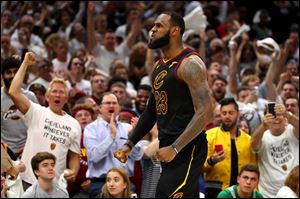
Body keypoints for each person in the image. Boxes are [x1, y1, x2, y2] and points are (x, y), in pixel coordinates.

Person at [114, 11, 214, 198]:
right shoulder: (159, 66)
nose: (152, 29)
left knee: (163, 193)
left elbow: (206, 112)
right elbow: (151, 111)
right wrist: (130, 143)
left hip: (188, 148)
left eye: (159, 26)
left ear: (175, 31)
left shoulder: (190, 64)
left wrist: (176, 147)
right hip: (168, 146)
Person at [8, 52, 81, 190]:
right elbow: (13, 92)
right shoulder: (36, 111)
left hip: (55, 185)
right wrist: (25, 64)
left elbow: (74, 156)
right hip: (27, 180)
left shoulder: (74, 124)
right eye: (54, 92)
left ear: (66, 99)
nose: (57, 95)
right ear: (47, 96)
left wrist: (74, 171)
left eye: (62, 92)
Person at [84, 92, 143, 198]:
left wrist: (132, 139)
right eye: (107, 103)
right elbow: (94, 157)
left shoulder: (127, 128)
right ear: (100, 108)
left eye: (114, 103)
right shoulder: (91, 129)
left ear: (119, 107)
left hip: (125, 184)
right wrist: (111, 137)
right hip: (101, 184)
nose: (111, 105)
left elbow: (137, 156)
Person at [204, 97, 256, 198]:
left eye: (231, 113)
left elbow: (254, 168)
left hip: (242, 192)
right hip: (214, 190)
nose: (227, 116)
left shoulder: (249, 140)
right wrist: (212, 160)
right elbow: (199, 167)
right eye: (224, 113)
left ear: (238, 114)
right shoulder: (209, 136)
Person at [251, 103, 299, 197]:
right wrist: (263, 125)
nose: (276, 118)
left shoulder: (292, 131)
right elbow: (253, 144)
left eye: (279, 115)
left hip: (293, 191)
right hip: (268, 194)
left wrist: (288, 114)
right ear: (265, 118)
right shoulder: (262, 136)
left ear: (285, 118)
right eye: (272, 115)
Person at [1, 55, 39, 157]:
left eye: (16, 72)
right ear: (2, 75)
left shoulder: (30, 96)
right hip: (4, 151)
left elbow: (38, 125)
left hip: (28, 149)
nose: (13, 75)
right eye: (8, 72)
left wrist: (28, 147)